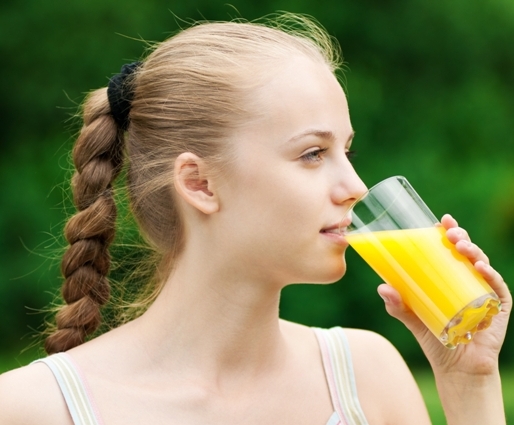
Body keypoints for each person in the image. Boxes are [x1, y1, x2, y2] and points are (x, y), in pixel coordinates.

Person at [0, 14, 510, 425]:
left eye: (347, 151)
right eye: (313, 153)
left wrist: (471, 385)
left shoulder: (366, 377)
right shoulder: (35, 408)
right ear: (200, 184)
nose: (355, 186)